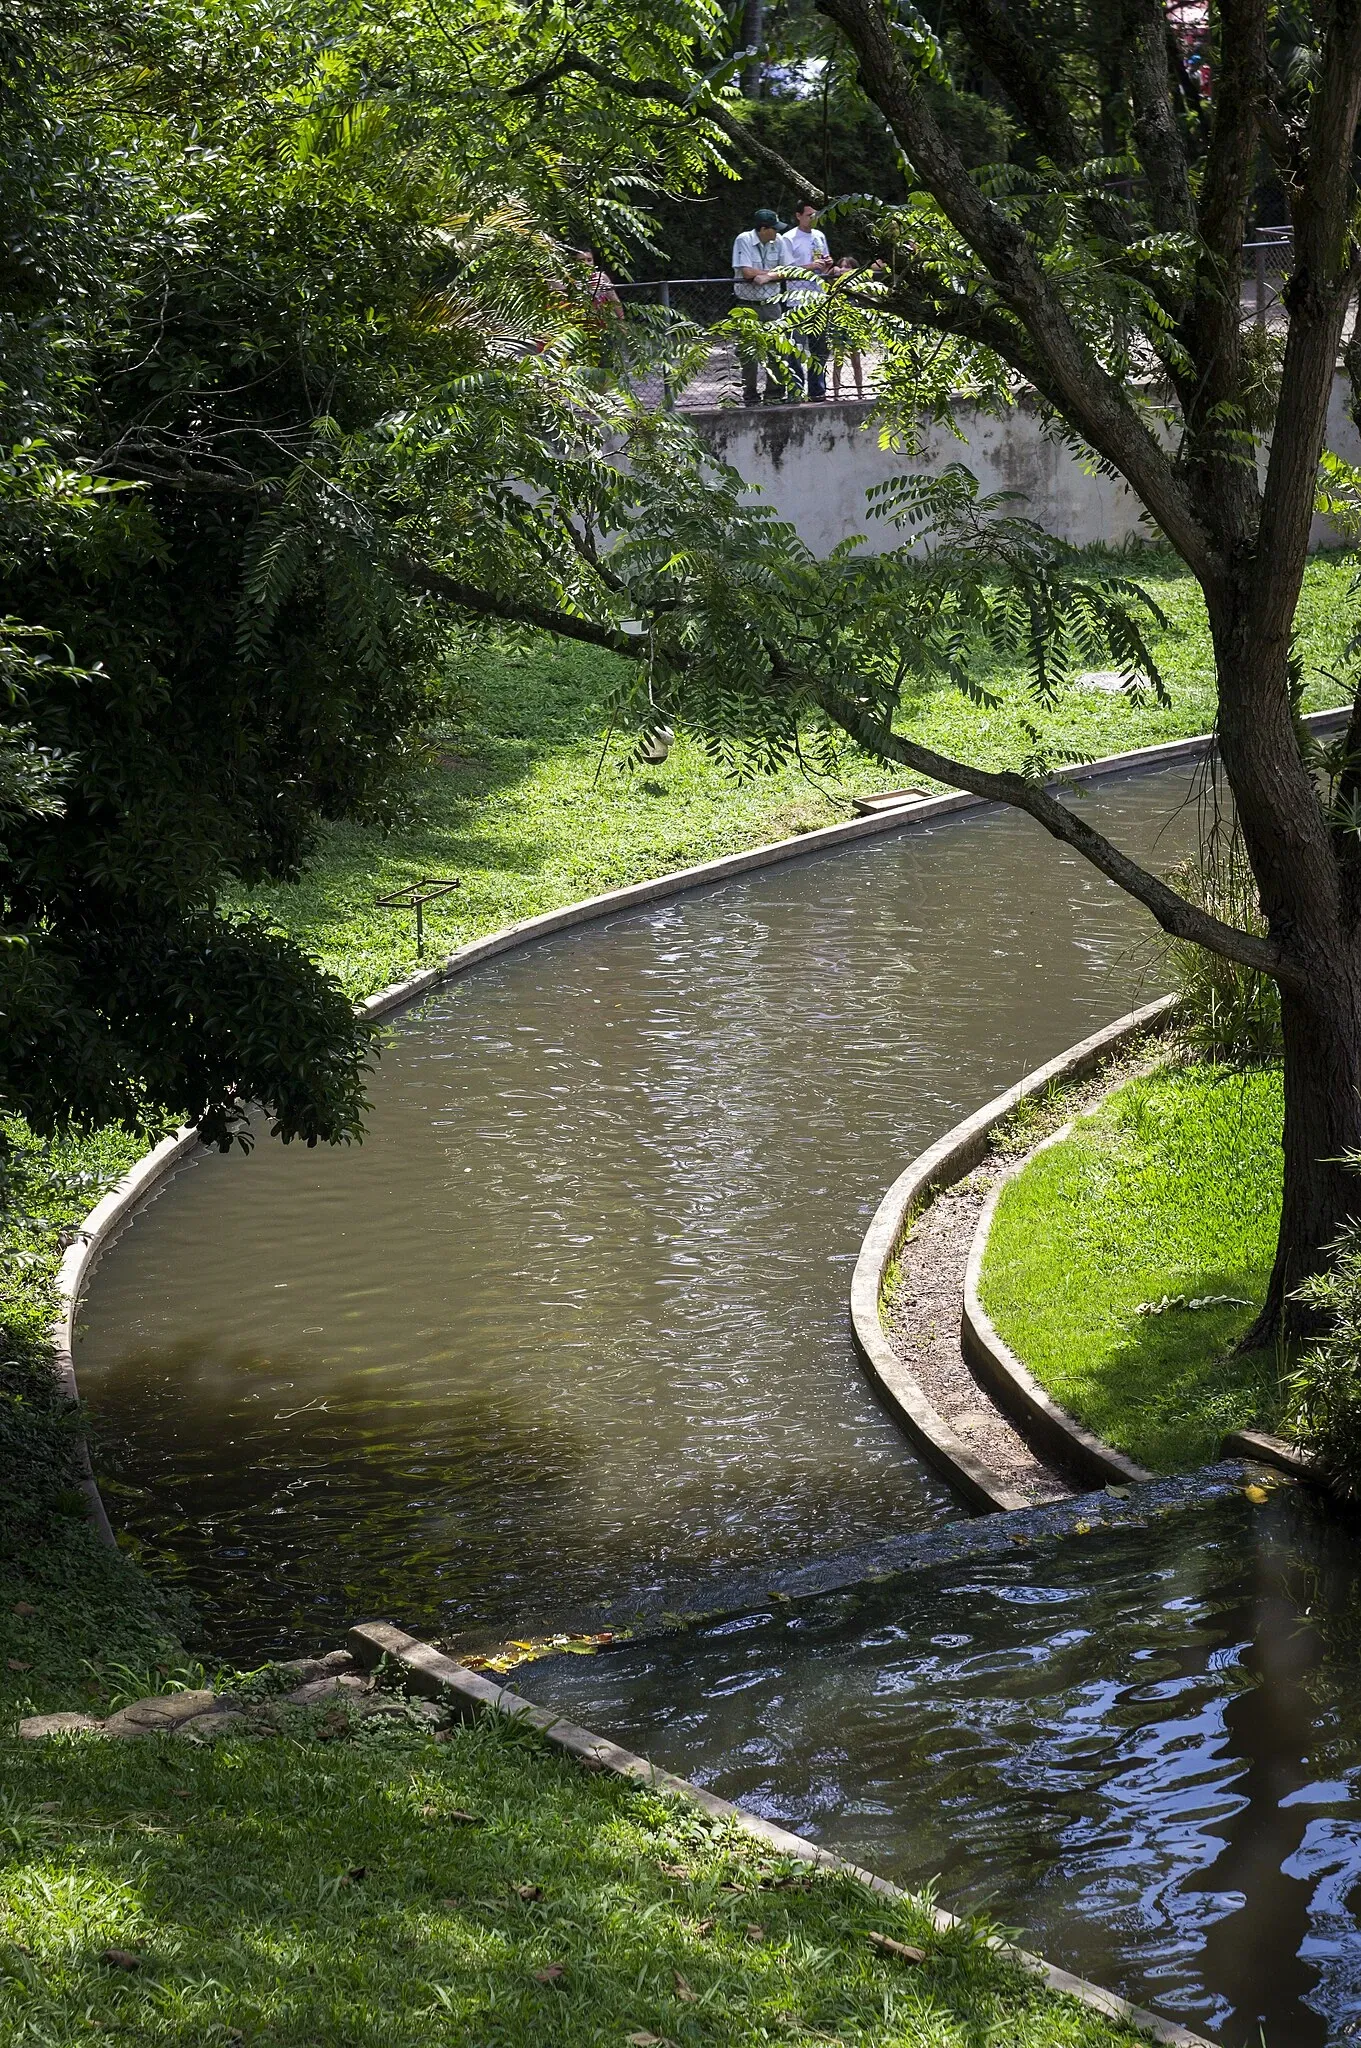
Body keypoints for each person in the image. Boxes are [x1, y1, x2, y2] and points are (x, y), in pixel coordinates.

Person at [776, 200, 834, 401]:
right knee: (795, 349)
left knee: (819, 349)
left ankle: (817, 391)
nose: (813, 218)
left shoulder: (819, 236)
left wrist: (827, 264)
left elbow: (825, 265)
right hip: (796, 301)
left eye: (815, 214)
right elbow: (786, 270)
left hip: (819, 298)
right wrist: (811, 266)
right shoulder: (788, 238)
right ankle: (795, 391)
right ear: (798, 216)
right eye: (809, 215)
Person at [731, 207, 786, 405]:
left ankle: (775, 393)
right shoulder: (744, 239)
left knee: (777, 349)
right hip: (747, 305)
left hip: (772, 304)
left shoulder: (778, 241)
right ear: (763, 229)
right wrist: (770, 273)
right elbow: (746, 272)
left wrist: (766, 276)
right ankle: (750, 395)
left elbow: (787, 270)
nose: (777, 232)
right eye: (774, 229)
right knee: (748, 352)